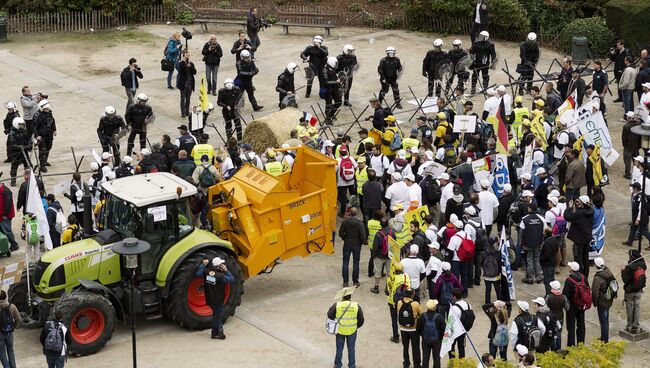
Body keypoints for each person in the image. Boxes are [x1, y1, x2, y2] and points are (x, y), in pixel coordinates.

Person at [196, 257, 234, 339]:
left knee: (217, 315)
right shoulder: (220, 277)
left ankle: (219, 330)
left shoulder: (207, 272)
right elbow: (231, 279)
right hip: (218, 300)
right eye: (221, 264)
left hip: (209, 298)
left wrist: (203, 265)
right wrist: (226, 270)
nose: (222, 265)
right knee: (217, 317)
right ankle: (215, 333)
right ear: (218, 266)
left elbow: (198, 274)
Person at [327, 286, 364, 368]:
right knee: (351, 349)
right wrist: (355, 327)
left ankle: (337, 365)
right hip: (352, 331)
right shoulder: (356, 306)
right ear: (350, 296)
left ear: (342, 296)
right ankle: (352, 365)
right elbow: (361, 320)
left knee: (339, 348)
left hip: (340, 330)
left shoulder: (337, 305)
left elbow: (329, 315)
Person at [564, 196, 594, 278]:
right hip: (587, 238)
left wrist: (569, 208)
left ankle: (579, 276)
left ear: (582, 203)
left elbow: (567, 216)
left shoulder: (580, 213)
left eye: (579, 202)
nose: (577, 203)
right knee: (585, 258)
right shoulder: (590, 210)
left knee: (578, 258)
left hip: (579, 239)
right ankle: (585, 275)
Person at [339, 207, 366, 287]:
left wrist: (345, 238)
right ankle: (355, 281)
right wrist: (362, 242)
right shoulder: (359, 223)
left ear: (350, 213)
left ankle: (345, 282)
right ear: (356, 213)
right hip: (357, 244)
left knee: (345, 263)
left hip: (347, 243)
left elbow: (341, 233)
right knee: (356, 263)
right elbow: (363, 236)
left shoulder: (345, 222)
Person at [590, 257, 616, 342]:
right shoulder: (608, 271)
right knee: (606, 319)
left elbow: (594, 291)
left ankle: (604, 339)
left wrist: (595, 303)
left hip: (602, 302)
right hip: (609, 299)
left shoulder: (597, 278)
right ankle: (604, 337)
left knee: (603, 321)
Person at [563, 262, 588, 346]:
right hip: (581, 305)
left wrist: (566, 307)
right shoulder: (584, 278)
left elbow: (565, 295)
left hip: (572, 306)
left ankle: (571, 345)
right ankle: (581, 344)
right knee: (581, 324)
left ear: (572, 269)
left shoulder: (569, 280)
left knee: (571, 327)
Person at [622, 249, 646, 334]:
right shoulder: (643, 265)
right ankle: (637, 326)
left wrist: (623, 271)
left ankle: (629, 326)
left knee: (629, 309)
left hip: (630, 291)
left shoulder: (629, 267)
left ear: (631, 257)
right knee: (637, 308)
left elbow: (625, 280)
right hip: (639, 290)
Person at [386, 262, 411, 343]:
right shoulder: (405, 276)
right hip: (404, 301)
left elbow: (387, 292)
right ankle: (406, 337)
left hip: (393, 302)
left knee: (394, 319)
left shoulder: (390, 278)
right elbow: (409, 288)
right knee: (404, 317)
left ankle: (396, 337)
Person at [397, 288, 422, 368]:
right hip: (413, 329)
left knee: (405, 347)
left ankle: (406, 363)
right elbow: (421, 315)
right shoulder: (415, 304)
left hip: (403, 329)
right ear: (412, 294)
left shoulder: (399, 302)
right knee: (415, 348)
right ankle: (417, 365)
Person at [417, 299, 445, 368]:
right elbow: (444, 330)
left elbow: (418, 330)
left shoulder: (422, 316)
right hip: (437, 341)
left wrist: (423, 335)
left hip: (425, 340)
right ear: (435, 307)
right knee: (436, 358)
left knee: (425, 359)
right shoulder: (439, 317)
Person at [32, 99, 56, 172]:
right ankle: (42, 166)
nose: (47, 109)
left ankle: (44, 161)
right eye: (46, 108)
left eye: (48, 108)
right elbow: (34, 127)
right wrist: (37, 136)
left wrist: (54, 130)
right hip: (42, 136)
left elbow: (52, 121)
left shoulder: (49, 113)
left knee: (48, 148)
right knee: (43, 151)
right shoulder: (37, 115)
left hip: (49, 135)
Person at [545, 280, 569, 350]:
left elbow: (545, 307)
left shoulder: (548, 297)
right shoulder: (563, 297)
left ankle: (553, 348)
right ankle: (558, 348)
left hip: (551, 318)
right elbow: (567, 308)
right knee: (558, 333)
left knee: (551, 333)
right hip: (560, 317)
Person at [449, 288, 472, 358]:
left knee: (451, 347)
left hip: (455, 331)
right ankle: (462, 363)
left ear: (454, 297)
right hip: (464, 329)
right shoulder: (468, 305)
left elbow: (450, 321)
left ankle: (452, 363)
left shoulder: (454, 308)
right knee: (461, 347)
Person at [7, 118, 31, 187]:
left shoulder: (24, 131)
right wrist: (21, 147)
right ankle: (13, 180)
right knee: (14, 167)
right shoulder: (12, 133)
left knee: (28, 165)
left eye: (23, 124)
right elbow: (12, 144)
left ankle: (29, 178)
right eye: (20, 125)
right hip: (16, 153)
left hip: (24, 152)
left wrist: (29, 145)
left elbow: (28, 139)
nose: (22, 126)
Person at [0, 290, 21, 368]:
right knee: (10, 350)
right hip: (9, 332)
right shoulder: (12, 306)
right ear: (6, 296)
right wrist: (15, 326)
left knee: (2, 352)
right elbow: (18, 319)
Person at [176, 52, 197, 118]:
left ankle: (187, 111)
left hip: (190, 84)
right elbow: (180, 70)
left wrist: (190, 66)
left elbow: (194, 72)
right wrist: (184, 64)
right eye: (186, 55)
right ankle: (183, 112)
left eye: (188, 55)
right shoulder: (180, 63)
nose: (187, 57)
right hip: (183, 84)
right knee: (183, 99)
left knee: (188, 99)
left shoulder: (191, 63)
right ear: (183, 56)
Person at [323, 57, 342, 125]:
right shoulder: (324, 70)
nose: (336, 65)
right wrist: (335, 82)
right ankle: (328, 119)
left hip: (335, 88)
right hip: (328, 90)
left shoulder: (333, 69)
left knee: (339, 102)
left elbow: (335, 77)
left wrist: (339, 82)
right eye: (335, 63)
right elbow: (326, 82)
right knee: (329, 105)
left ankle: (331, 114)